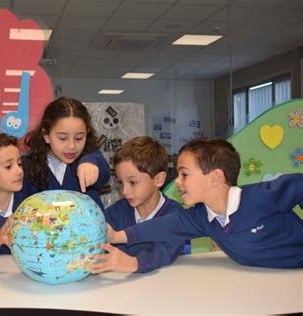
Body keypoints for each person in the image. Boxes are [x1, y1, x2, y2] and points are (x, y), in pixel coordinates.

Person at [107, 137, 303, 268]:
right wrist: (117, 236)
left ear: (215, 178)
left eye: (184, 174)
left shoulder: (261, 197)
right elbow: (163, 227)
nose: (177, 181)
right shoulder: (201, 217)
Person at [91, 136, 184, 274]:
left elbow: (163, 253)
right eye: (121, 182)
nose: (124, 191)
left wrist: (133, 263)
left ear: (158, 179)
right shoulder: (115, 213)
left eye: (133, 182)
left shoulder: (175, 215)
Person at [22, 96, 110, 210]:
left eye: (79, 138)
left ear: (87, 134)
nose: (71, 146)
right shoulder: (27, 166)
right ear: (46, 135)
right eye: (63, 138)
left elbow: (103, 171)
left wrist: (91, 163)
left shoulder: (90, 158)